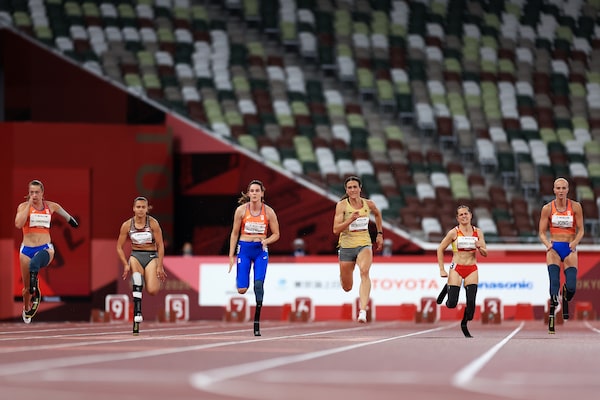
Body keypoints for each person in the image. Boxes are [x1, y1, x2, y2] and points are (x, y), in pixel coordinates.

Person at [15, 179, 79, 323]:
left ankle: (34, 274)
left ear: (42, 193)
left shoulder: (51, 206)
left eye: (37, 192)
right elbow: (18, 224)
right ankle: (27, 308)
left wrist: (71, 221)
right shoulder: (23, 207)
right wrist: (28, 205)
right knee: (27, 290)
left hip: (45, 248)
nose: (34, 195)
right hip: (26, 250)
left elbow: (66, 215)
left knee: (35, 263)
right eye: (31, 192)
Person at [228, 180, 280, 336]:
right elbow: (234, 233)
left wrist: (266, 241)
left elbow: (276, 234)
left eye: (257, 191)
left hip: (260, 251)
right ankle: (243, 279)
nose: (255, 193)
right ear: (248, 193)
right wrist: (231, 255)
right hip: (244, 249)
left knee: (258, 285)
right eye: (252, 191)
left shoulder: (269, 212)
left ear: (262, 193)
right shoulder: (241, 211)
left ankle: (257, 320)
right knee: (242, 290)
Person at [332, 176, 383, 323]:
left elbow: (378, 214)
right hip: (346, 246)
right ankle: (343, 275)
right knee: (347, 287)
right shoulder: (342, 206)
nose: (353, 190)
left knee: (365, 271)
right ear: (346, 190)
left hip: (364, 243)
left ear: (360, 188)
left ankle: (363, 311)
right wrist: (350, 220)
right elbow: (335, 230)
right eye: (350, 188)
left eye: (355, 187)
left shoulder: (369, 204)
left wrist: (379, 234)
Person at [538, 177, 584, 334]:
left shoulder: (576, 207)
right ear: (554, 190)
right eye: (558, 188)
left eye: (564, 188)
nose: (561, 191)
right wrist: (547, 244)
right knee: (554, 283)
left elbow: (581, 230)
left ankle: (565, 295)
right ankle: (552, 312)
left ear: (568, 190)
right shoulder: (547, 208)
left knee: (571, 288)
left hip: (570, 248)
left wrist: (575, 242)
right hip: (554, 248)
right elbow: (541, 232)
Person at [117, 196, 167, 335]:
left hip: (151, 256)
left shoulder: (153, 223)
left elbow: (160, 245)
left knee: (152, 290)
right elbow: (119, 247)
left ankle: (142, 286)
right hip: (136, 256)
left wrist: (160, 266)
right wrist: (125, 264)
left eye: (143, 207)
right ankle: (137, 312)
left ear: (146, 209)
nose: (140, 210)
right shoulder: (127, 225)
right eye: (138, 207)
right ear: (133, 208)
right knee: (137, 277)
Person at [436, 205, 487, 337]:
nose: (464, 216)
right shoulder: (454, 233)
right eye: (461, 215)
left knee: (471, 305)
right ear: (457, 218)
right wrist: (442, 269)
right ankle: (448, 287)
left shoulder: (478, 232)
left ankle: (464, 324)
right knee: (452, 303)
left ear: (471, 215)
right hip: (457, 268)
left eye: (466, 214)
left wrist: (480, 247)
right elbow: (440, 249)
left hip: (471, 268)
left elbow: (485, 253)